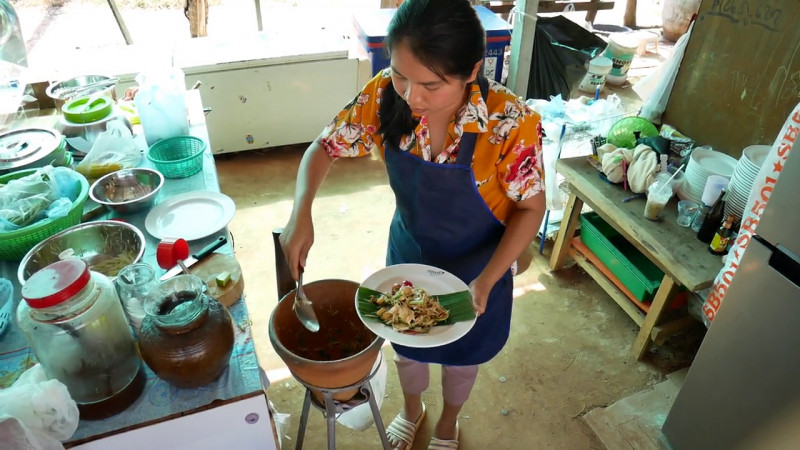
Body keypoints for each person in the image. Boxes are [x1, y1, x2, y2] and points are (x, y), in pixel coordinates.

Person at [279, 0, 546, 448]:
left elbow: (531, 209)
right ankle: (412, 407)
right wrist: (300, 211)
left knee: (464, 355)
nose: (411, 96)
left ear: (472, 70)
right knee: (406, 344)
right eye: (401, 74)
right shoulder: (385, 95)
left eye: (431, 84)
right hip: (410, 252)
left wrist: (485, 281)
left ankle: (449, 421)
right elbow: (324, 147)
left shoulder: (510, 123)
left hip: (482, 265)